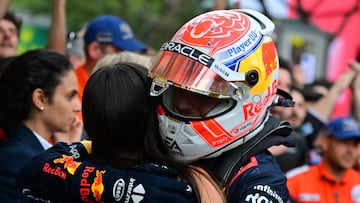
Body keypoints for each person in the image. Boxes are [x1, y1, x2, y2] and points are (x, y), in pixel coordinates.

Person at [17, 62, 225, 203]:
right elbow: (32, 169)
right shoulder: (191, 181)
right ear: (151, 114)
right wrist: (125, 186)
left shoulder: (70, 167)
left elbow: (33, 169)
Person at [148, 9, 294, 202]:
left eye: (205, 94)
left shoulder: (259, 181)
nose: (182, 103)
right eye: (177, 87)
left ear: (249, 99)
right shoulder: (145, 131)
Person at [0, 49, 82, 200]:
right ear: (40, 99)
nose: (78, 107)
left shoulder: (35, 153)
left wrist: (67, 154)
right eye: (70, 96)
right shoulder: (17, 160)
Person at [75, 14, 148, 103]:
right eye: (120, 51)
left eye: (131, 52)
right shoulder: (72, 91)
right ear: (95, 49)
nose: (130, 58)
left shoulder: (123, 89)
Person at [286, 116, 360, 203]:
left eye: (355, 145)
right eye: (344, 142)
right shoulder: (295, 180)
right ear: (325, 142)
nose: (350, 151)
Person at [0, 0, 67, 58]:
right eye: (0, 31)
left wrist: (58, 4)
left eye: (12, 31)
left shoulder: (26, 68)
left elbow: (55, 57)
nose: (7, 35)